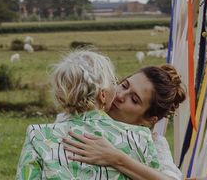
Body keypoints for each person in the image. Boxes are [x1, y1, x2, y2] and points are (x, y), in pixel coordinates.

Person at [15, 50, 162, 179]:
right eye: (116, 83)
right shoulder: (141, 138)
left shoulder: (37, 135)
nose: (120, 94)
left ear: (61, 97)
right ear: (103, 95)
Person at [62, 64, 186, 180]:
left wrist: (115, 158)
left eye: (134, 99)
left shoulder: (153, 144)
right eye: (124, 85)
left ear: (149, 120)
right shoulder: (80, 115)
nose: (120, 95)